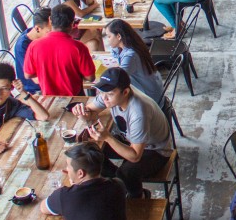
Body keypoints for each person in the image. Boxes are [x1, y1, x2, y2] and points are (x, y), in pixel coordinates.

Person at [71, 68, 173, 199]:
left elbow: (135, 156)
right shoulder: (111, 94)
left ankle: (138, 196)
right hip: (131, 140)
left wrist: (108, 137)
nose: (104, 98)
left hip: (156, 150)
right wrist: (82, 112)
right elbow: (91, 110)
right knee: (90, 152)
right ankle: (116, 183)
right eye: (102, 92)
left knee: (126, 173)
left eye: (110, 94)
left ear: (125, 92)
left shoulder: (138, 112)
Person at [23, 4, 96, 96]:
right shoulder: (79, 47)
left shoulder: (34, 46)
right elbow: (90, 77)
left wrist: (46, 73)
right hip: (75, 98)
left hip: (49, 99)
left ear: (50, 20)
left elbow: (28, 75)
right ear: (72, 24)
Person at [102, 19, 165, 103]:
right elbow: (115, 55)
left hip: (149, 98)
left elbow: (117, 81)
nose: (107, 40)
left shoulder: (130, 55)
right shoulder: (131, 44)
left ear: (119, 36)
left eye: (109, 36)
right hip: (152, 89)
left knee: (113, 98)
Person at [14, 7, 52, 93]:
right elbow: (36, 79)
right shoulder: (22, 47)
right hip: (36, 89)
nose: (53, 34)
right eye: (49, 31)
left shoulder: (37, 34)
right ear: (37, 29)